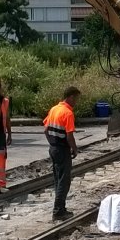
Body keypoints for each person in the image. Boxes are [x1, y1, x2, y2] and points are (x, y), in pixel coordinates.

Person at [43, 86, 80, 220]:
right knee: (64, 181)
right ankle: (58, 211)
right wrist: (74, 149)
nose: (76, 102)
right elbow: (69, 135)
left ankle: (60, 208)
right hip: (62, 149)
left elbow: (46, 129)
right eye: (76, 98)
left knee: (58, 179)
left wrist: (52, 143)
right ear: (70, 97)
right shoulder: (67, 113)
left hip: (53, 148)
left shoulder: (54, 109)